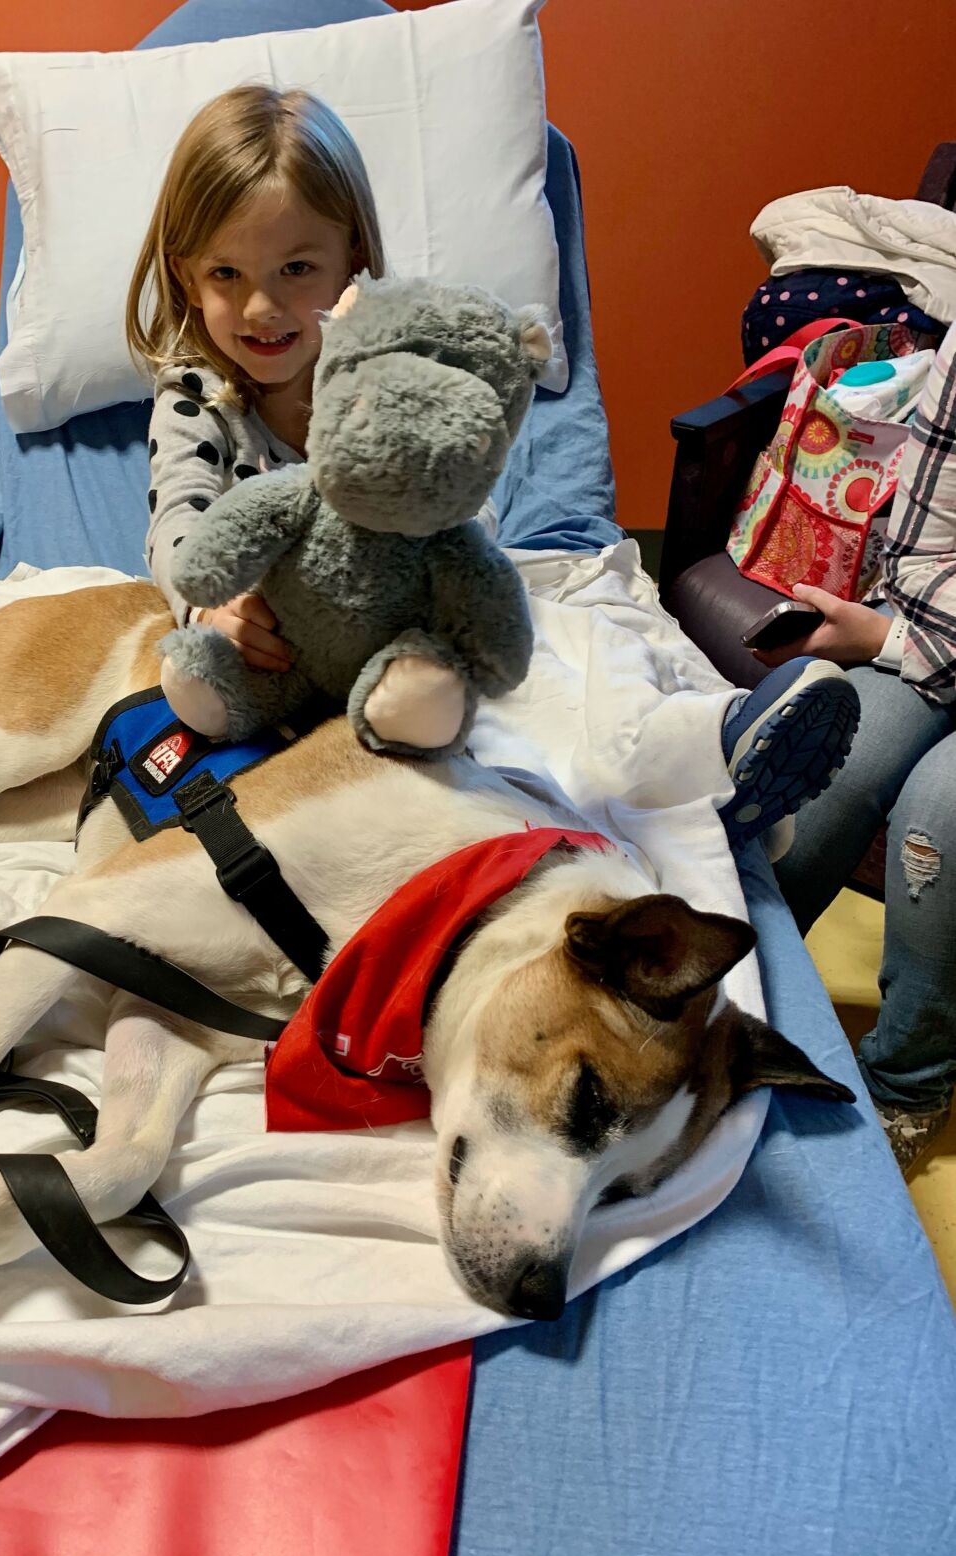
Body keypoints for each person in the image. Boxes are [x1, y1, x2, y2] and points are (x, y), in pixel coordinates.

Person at [125, 83, 858, 851]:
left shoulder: (393, 368)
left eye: (296, 268)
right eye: (225, 276)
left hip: (413, 641)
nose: (260, 309)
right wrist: (211, 608)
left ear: (354, 261)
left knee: (571, 671)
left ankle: (710, 748)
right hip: (289, 658)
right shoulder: (197, 396)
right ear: (184, 276)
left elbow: (464, 502)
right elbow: (178, 521)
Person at [753, 321, 956, 1173]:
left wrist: (886, 641)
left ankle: (906, 1084)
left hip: (920, 641)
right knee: (817, 770)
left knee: (937, 822)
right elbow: (926, 537)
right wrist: (880, 634)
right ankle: (743, 1010)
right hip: (929, 629)